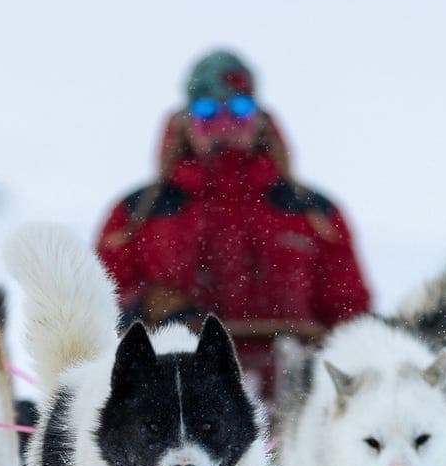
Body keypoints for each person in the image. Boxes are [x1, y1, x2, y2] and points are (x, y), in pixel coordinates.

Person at [96, 49, 372, 399]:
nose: (224, 124)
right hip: (174, 406)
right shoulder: (135, 216)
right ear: (185, 122)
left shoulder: (316, 214)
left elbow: (351, 311)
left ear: (259, 119)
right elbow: (99, 308)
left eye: (239, 110)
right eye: (207, 112)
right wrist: (145, 305)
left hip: (292, 402)